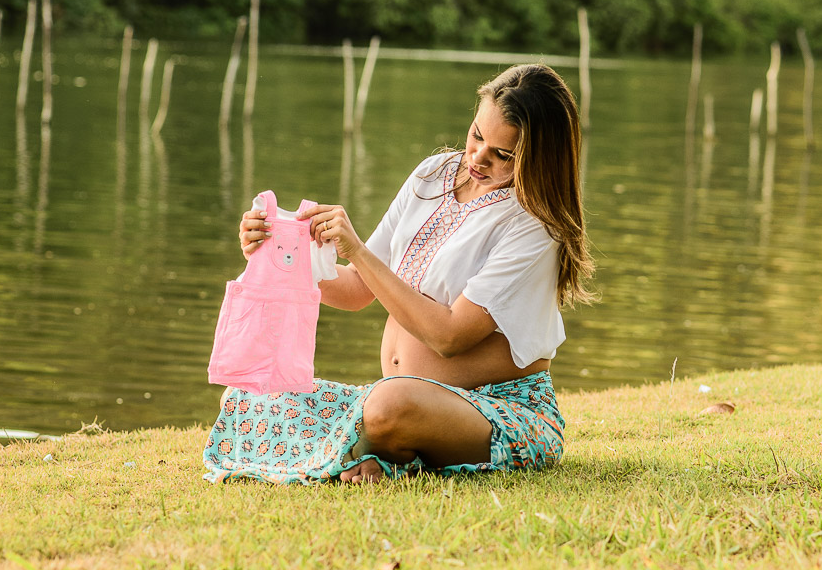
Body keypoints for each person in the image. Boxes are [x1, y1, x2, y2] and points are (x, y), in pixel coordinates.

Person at [203, 63, 593, 484]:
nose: (478, 157)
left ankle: (377, 451)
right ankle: (377, 454)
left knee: (390, 404)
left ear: (540, 158)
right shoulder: (433, 175)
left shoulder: (535, 225)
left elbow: (450, 336)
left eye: (503, 155)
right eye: (477, 135)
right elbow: (356, 290)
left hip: (498, 410)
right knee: (249, 396)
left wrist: (356, 248)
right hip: (398, 400)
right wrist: (278, 253)